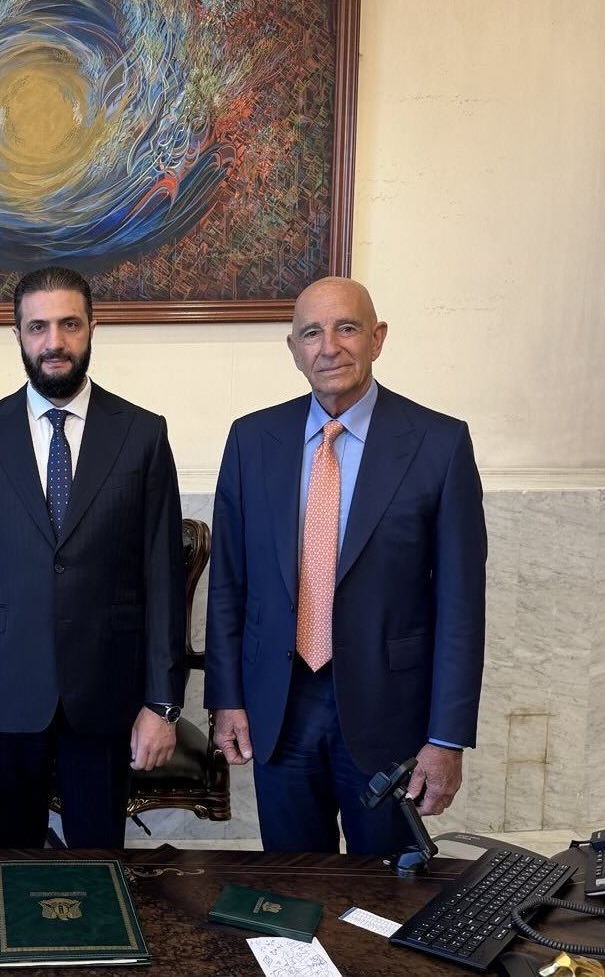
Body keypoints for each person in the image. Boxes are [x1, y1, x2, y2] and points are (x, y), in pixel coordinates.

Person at [204, 277, 487, 854]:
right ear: (294, 349)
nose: (329, 347)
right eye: (312, 333)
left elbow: (461, 607)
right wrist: (226, 699)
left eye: (347, 328)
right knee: (292, 882)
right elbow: (229, 584)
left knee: (385, 888)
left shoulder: (439, 444)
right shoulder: (252, 440)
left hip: (390, 713)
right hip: (280, 706)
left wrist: (446, 738)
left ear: (377, 338)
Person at [0, 266, 186, 849]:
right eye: (38, 327)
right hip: (5, 692)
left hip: (106, 693)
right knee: (10, 865)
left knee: (99, 863)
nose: (55, 342)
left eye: (70, 324)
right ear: (17, 334)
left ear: (93, 328)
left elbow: (163, 580)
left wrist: (162, 704)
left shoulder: (143, 434)